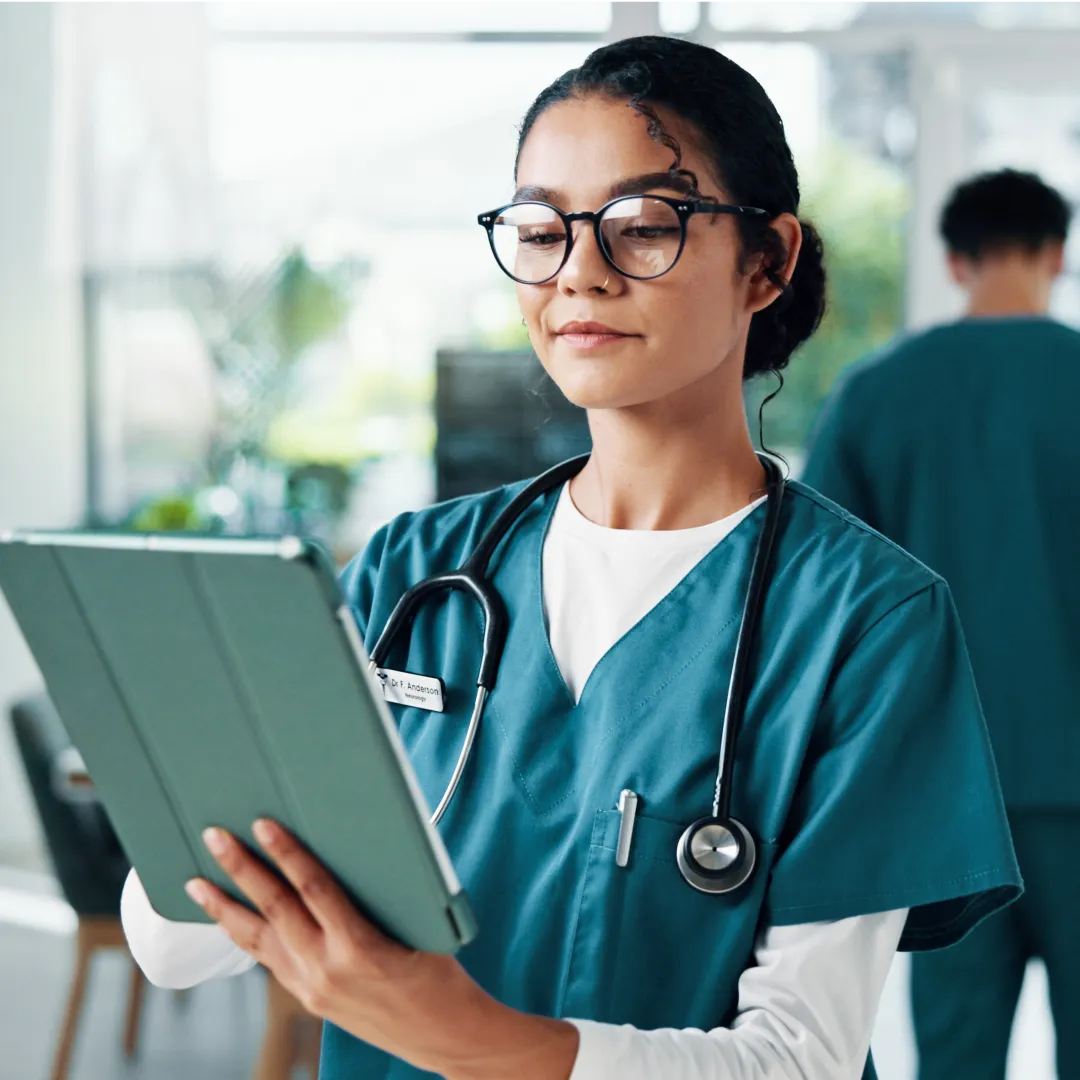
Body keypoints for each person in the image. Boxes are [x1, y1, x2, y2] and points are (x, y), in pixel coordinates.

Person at [122, 37, 1021, 1080]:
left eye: (644, 227)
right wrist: (199, 756)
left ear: (766, 260)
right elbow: (174, 945)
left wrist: (462, 1037)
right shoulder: (415, 571)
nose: (580, 273)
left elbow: (800, 1061)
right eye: (543, 230)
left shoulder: (868, 620)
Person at [802, 167, 1080, 1079]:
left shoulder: (877, 395)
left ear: (955, 260)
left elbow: (826, 601)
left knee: (956, 1054)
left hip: (946, 793)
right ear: (1058, 254)